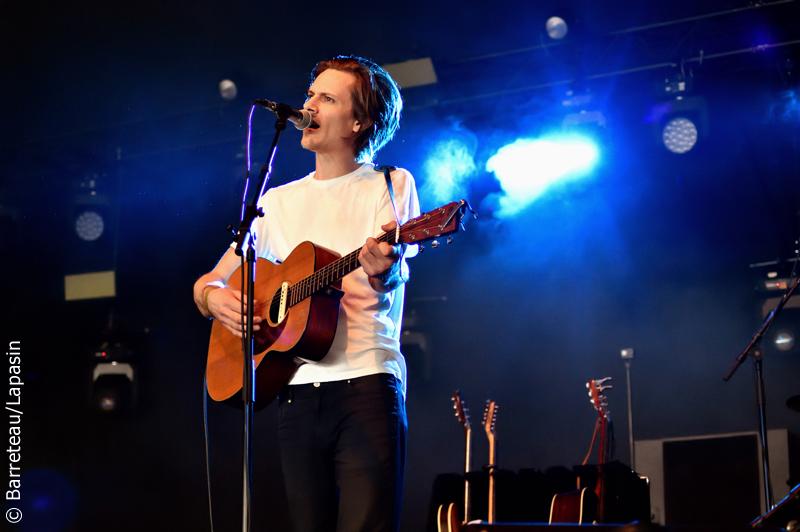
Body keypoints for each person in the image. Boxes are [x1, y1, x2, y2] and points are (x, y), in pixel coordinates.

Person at [192, 55, 419, 532]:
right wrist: (218, 301)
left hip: (366, 383)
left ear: (358, 121)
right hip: (294, 390)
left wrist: (381, 268)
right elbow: (208, 283)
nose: (309, 105)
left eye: (327, 98)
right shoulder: (275, 202)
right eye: (311, 93)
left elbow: (389, 275)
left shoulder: (388, 183)